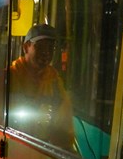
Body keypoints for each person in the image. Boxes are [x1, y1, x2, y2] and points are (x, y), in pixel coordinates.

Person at [7, 23, 75, 151]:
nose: (46, 53)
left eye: (51, 48)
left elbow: (64, 130)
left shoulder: (55, 83)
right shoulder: (6, 79)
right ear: (26, 47)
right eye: (41, 47)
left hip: (41, 157)